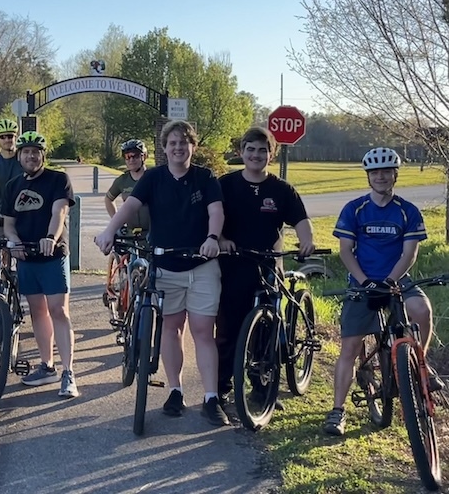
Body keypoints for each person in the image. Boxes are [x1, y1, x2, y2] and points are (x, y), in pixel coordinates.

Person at [94, 120, 229, 426]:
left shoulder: (205, 178)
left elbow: (216, 211)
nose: (178, 148)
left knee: (202, 332)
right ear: (164, 148)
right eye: (172, 143)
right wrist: (108, 231)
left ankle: (210, 397)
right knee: (172, 327)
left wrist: (211, 238)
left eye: (184, 143)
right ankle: (176, 390)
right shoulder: (153, 178)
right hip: (165, 265)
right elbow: (129, 206)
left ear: (192, 146)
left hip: (201, 265)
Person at [323, 147, 440, 436]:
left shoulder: (407, 211)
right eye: (375, 172)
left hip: (397, 280)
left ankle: (418, 366)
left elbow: (409, 253)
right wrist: (365, 282)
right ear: (368, 176)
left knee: (422, 311)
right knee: (349, 348)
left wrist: (389, 280)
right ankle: (337, 411)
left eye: (386, 171)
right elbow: (346, 252)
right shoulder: (355, 209)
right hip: (362, 283)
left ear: (395, 175)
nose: (381, 177)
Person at [216, 127, 316, 407]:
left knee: (266, 330)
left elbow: (301, 220)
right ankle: (222, 387)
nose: (256, 155)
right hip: (233, 265)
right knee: (228, 330)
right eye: (250, 149)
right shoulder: (226, 184)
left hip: (268, 266)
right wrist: (222, 239)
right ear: (241, 152)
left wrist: (307, 241)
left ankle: (261, 387)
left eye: (262, 150)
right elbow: (212, 218)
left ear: (271, 155)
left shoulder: (282, 190)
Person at [1, 131, 79, 398]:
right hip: (27, 257)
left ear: (43, 155)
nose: (31, 156)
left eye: (36, 152)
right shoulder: (12, 186)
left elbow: (60, 211)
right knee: (38, 311)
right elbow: (9, 225)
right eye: (26, 152)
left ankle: (68, 372)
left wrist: (50, 238)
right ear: (19, 156)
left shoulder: (58, 180)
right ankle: (47, 366)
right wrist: (13, 243)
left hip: (52, 255)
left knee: (59, 311)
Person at [104, 139, 152, 305]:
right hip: (131, 231)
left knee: (152, 271)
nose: (131, 159)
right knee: (131, 266)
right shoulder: (122, 181)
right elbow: (108, 199)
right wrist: (117, 221)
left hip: (150, 231)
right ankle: (128, 298)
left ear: (144, 156)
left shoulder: (152, 177)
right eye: (127, 156)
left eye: (135, 156)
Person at [0, 118, 24, 239]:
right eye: (2, 137)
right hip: (2, 214)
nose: (7, 140)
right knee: (0, 249)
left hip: (25, 212)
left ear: (15, 137)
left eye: (10, 136)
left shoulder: (24, 160)